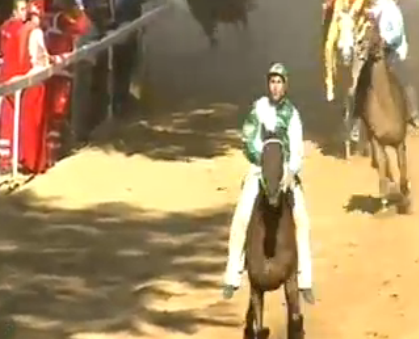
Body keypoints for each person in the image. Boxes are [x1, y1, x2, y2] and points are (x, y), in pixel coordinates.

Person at [222, 63, 315, 304]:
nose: (275, 86)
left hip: (285, 173)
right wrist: (262, 162)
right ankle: (233, 274)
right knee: (241, 217)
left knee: (302, 220)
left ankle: (305, 280)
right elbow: (248, 139)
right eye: (272, 82)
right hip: (259, 171)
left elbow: (296, 149)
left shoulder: (293, 114)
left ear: (286, 85)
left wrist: (290, 171)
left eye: (279, 82)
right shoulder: (258, 109)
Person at [350, 0, 419, 140]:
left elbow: (397, 33)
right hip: (376, 54)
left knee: (402, 78)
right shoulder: (369, 11)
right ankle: (356, 121)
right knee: (361, 82)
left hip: (394, 52)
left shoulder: (391, 10)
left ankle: (413, 114)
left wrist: (384, 41)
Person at [44, 0, 90, 165]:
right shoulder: (62, 18)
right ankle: (50, 155)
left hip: (54, 70)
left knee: (55, 114)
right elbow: (83, 26)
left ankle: (54, 151)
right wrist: (80, 8)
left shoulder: (51, 16)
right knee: (56, 113)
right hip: (59, 71)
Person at [19, 0, 50, 174]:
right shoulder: (36, 32)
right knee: (36, 123)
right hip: (36, 79)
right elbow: (41, 56)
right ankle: (36, 162)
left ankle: (29, 160)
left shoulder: (22, 30)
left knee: (28, 122)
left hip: (26, 78)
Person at [0, 0, 29, 173]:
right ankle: (7, 159)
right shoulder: (18, 29)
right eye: (22, 9)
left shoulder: (8, 28)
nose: (25, 12)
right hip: (9, 76)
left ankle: (7, 158)